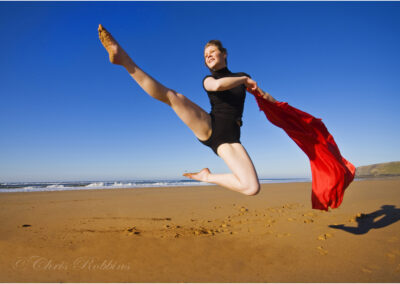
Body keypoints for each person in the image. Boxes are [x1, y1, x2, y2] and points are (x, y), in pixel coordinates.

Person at [98, 24, 276, 196]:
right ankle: (123, 59)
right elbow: (218, 85)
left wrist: (285, 110)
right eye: (205, 55)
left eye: (212, 52)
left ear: (224, 54)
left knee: (251, 187)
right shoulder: (209, 79)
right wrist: (244, 80)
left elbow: (265, 97)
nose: (208, 56)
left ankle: (206, 176)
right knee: (172, 97)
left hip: (231, 136)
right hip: (210, 125)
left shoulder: (241, 77)